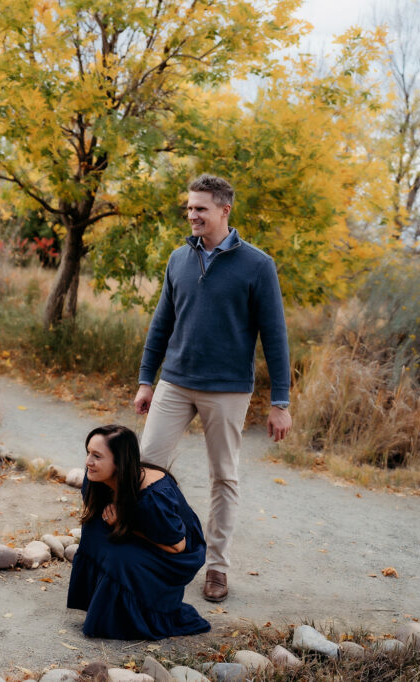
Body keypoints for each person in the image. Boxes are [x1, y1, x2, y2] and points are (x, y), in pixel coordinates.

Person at [133, 173, 292, 603]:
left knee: (224, 476)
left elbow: (274, 335)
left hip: (227, 390)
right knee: (146, 469)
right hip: (175, 382)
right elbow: (161, 323)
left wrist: (281, 401)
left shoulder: (257, 265)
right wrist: (147, 379)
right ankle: (148, 553)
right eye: (189, 207)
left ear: (224, 210)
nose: (192, 214)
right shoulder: (177, 259)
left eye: (201, 208)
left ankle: (217, 568)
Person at [66, 425, 209, 640]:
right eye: (88, 452)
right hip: (140, 529)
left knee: (118, 556)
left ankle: (137, 614)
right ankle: (102, 602)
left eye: (97, 456)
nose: (88, 462)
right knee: (95, 530)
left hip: (175, 555)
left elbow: (177, 546)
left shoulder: (153, 497)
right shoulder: (96, 479)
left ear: (119, 462)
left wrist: (126, 525)